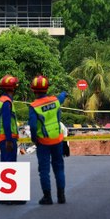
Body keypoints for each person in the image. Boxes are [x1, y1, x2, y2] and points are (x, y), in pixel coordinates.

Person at [28, 75, 67, 205]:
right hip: (57, 140)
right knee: (59, 168)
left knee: (44, 170)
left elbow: (33, 126)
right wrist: (64, 93)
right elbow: (61, 97)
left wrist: (34, 139)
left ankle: (47, 197)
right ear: (47, 88)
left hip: (43, 142)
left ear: (34, 90)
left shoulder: (34, 107)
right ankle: (61, 196)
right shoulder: (55, 101)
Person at [0, 75, 26, 205]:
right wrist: (8, 140)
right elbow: (7, 122)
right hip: (7, 138)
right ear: (13, 89)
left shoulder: (0, 101)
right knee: (9, 166)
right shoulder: (7, 102)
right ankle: (9, 197)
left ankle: (7, 196)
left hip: (2, 137)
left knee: (7, 166)